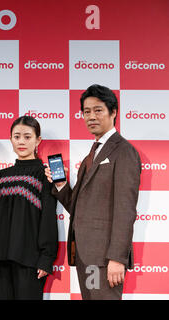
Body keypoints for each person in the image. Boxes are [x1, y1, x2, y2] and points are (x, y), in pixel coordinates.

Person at [45, 84, 141, 300]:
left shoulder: (124, 151)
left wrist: (117, 258)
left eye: (98, 110)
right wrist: (60, 184)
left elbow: (125, 211)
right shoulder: (93, 152)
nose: (91, 117)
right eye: (86, 112)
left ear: (113, 112)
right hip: (85, 255)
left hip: (106, 259)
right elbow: (77, 207)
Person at [0, 116, 58, 300]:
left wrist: (46, 258)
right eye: (17, 137)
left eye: (27, 136)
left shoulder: (45, 175)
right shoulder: (0, 175)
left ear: (37, 140)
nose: (21, 142)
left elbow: (48, 218)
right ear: (10, 140)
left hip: (29, 259)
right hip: (1, 256)